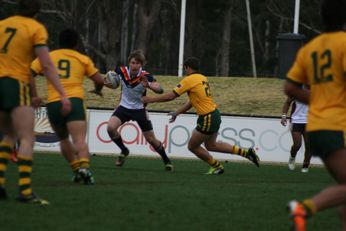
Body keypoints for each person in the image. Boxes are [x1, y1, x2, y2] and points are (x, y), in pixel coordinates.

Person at [0, 0, 71, 204]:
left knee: (9, 135)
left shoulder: (3, 24)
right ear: (37, 12)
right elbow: (46, 65)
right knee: (27, 137)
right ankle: (25, 190)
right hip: (14, 85)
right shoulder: (35, 28)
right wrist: (62, 93)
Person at [284, 0, 346, 230]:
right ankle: (304, 209)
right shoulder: (344, 44)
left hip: (318, 124)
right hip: (335, 126)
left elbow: (289, 88)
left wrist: (319, 99)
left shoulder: (310, 48)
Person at [142, 57, 260, 174]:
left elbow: (171, 96)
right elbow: (192, 102)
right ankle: (246, 153)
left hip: (207, 117)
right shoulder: (202, 78)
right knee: (211, 145)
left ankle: (217, 166)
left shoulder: (189, 80)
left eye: (185, 69)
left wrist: (151, 99)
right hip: (214, 114)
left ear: (187, 68)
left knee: (192, 146)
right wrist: (177, 112)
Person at [31, 29, 104, 184]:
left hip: (53, 103)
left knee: (63, 139)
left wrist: (34, 95)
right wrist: (97, 91)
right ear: (76, 43)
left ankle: (76, 170)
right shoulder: (82, 58)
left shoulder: (48, 57)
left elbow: (29, 73)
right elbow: (99, 80)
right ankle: (84, 168)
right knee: (79, 139)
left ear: (59, 41)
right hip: (74, 101)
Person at [105, 50, 173, 171]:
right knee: (110, 128)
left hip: (139, 109)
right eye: (132, 62)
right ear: (129, 63)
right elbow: (111, 83)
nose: (134, 65)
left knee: (151, 139)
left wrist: (149, 85)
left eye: (137, 63)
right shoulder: (121, 71)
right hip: (123, 108)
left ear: (141, 65)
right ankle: (124, 150)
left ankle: (166, 160)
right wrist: (106, 83)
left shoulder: (146, 76)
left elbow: (160, 89)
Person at [281, 94, 311, 173]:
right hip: (296, 120)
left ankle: (305, 166)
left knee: (309, 145)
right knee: (297, 144)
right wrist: (284, 116)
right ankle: (292, 157)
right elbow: (287, 103)